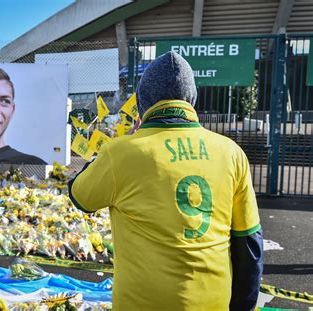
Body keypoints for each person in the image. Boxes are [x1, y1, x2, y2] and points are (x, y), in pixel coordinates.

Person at [68, 52, 263, 310]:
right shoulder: (231, 152)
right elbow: (249, 244)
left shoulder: (121, 152)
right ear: (192, 98)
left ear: (143, 101)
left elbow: (81, 197)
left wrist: (113, 148)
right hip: (212, 302)